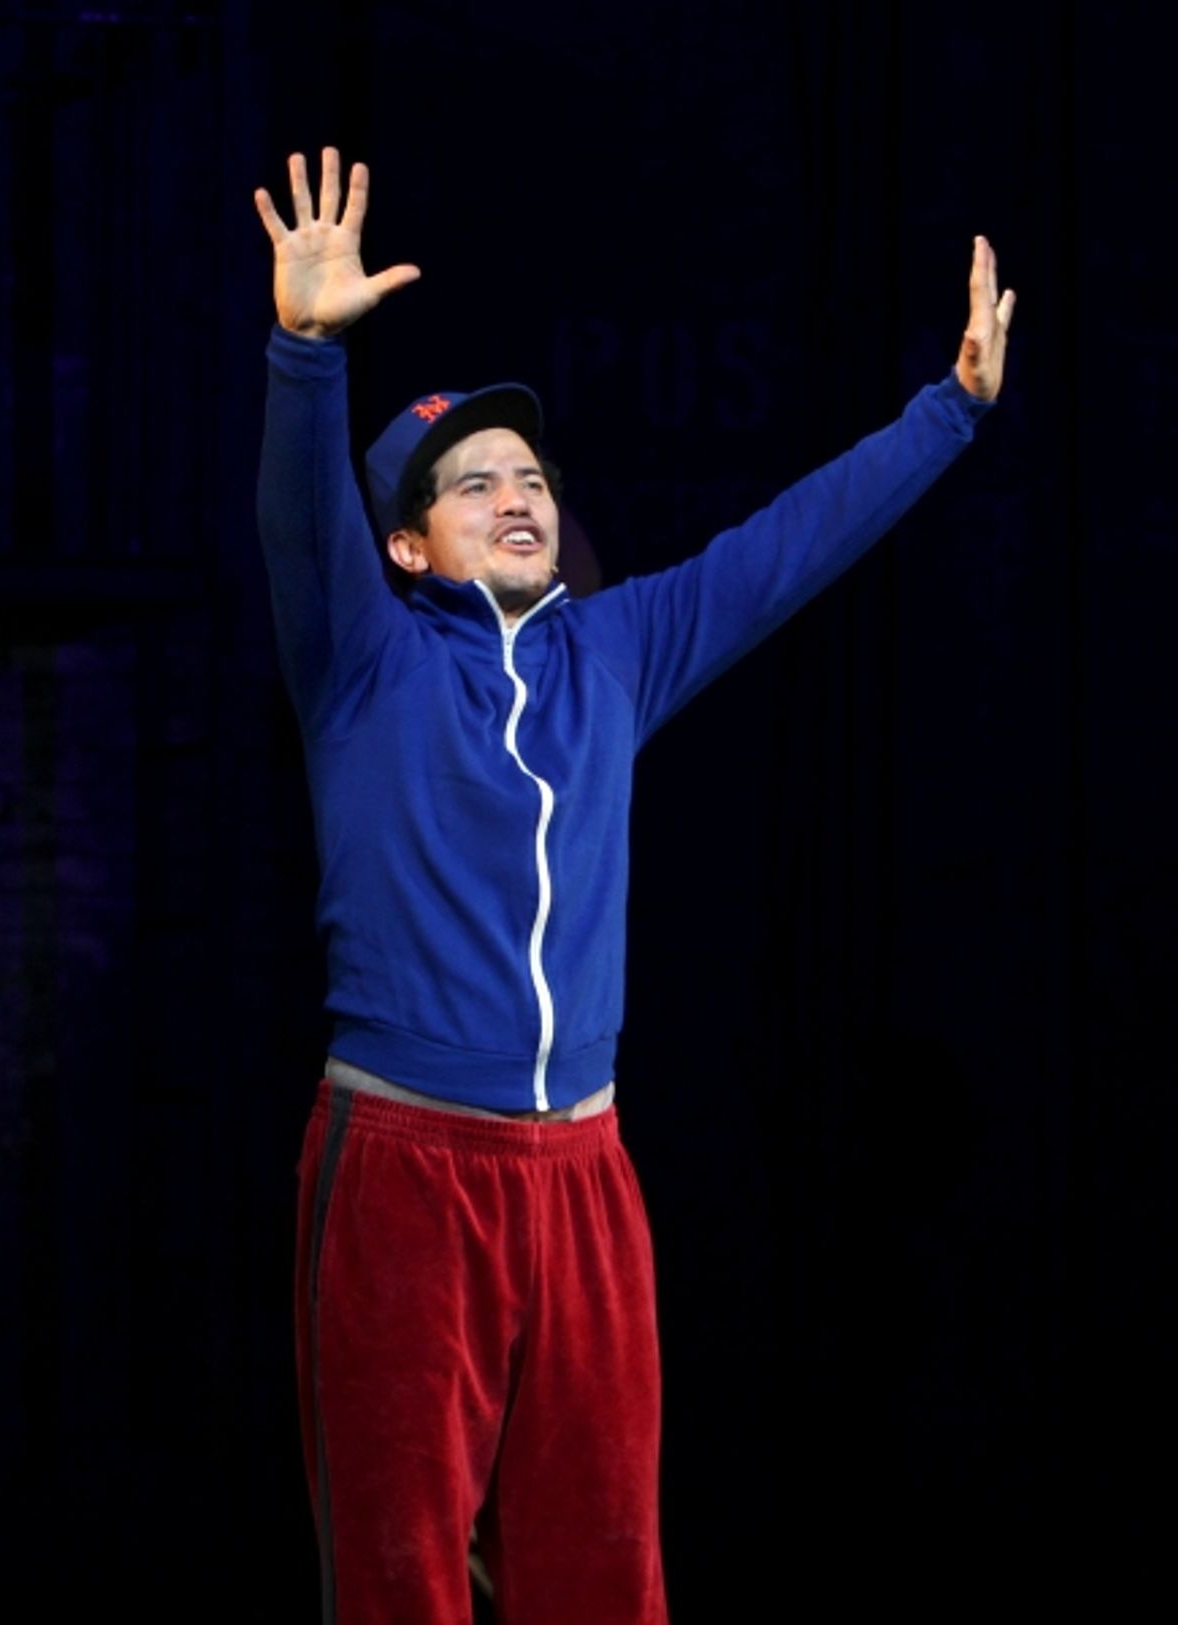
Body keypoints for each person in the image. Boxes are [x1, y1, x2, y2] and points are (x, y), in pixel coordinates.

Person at [253, 146, 1014, 1625]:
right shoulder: (364, 658)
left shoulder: (614, 655)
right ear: (406, 542)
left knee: (599, 1566)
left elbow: (786, 548)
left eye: (532, 478)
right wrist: (304, 355)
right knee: (404, 1570)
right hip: (407, 1162)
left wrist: (951, 411)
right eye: (473, 483)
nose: (517, 496)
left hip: (583, 1175)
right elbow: (300, 521)